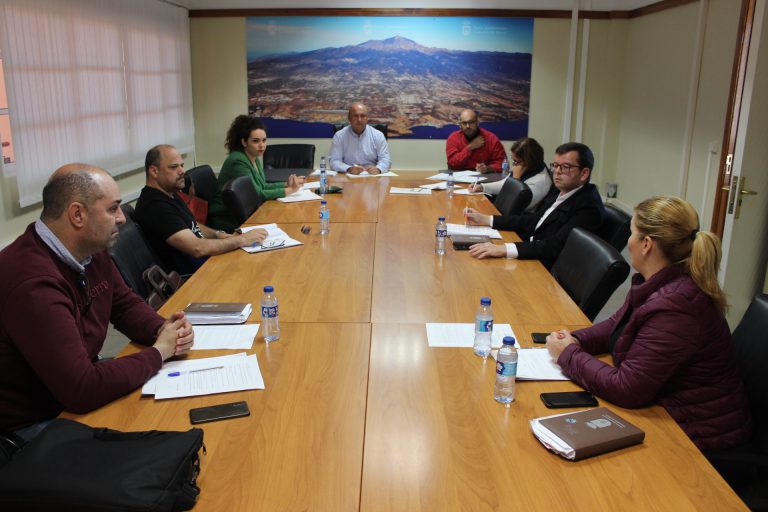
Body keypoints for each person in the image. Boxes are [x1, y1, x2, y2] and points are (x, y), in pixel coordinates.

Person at [0, 164, 195, 440]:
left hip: (74, 388)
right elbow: (82, 388)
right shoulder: (33, 282)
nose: (122, 218)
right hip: (32, 423)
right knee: (159, 440)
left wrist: (164, 329)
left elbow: (123, 304)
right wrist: (159, 352)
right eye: (113, 209)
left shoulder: (90, 249)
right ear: (77, 214)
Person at [546, 196, 751, 450]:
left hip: (698, 435)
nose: (628, 241)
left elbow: (627, 388)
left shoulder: (677, 307)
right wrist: (576, 339)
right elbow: (617, 324)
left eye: (632, 232)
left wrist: (568, 354)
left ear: (646, 244)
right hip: (665, 406)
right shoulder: (661, 281)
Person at [466, 142, 604, 269]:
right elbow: (533, 219)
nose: (557, 171)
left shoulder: (588, 207)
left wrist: (504, 249)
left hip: (543, 267)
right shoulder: (562, 190)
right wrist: (487, 219)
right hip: (532, 251)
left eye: (565, 167)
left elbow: (555, 246)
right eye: (555, 165)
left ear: (584, 173)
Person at [135, 144, 267, 275]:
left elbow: (190, 224)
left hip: (209, 262)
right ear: (154, 171)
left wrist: (218, 234)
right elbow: (197, 248)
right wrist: (241, 240)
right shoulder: (155, 206)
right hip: (198, 276)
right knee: (259, 270)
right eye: (174, 167)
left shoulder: (170, 193)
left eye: (182, 165)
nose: (182, 171)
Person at [207, 116, 304, 232]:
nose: (262, 145)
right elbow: (256, 194)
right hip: (228, 220)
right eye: (256, 141)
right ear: (244, 142)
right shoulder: (238, 160)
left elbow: (261, 186)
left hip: (248, 212)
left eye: (264, 140)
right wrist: (290, 190)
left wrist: (285, 185)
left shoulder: (254, 157)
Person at [469, 137, 553, 211]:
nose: (514, 165)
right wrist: (482, 187)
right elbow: (505, 184)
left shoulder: (541, 181)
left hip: (519, 217)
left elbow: (515, 206)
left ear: (529, 161)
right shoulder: (526, 167)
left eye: (516, 161)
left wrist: (516, 180)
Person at [329, 102, 391, 175]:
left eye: (363, 116)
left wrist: (378, 169)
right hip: (349, 176)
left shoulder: (378, 135)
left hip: (372, 176)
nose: (359, 119)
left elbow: (385, 160)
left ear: (367, 118)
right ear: (349, 118)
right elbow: (334, 161)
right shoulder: (339, 136)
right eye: (355, 116)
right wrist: (348, 168)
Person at [445, 109, 506, 174]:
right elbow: (452, 164)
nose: (467, 126)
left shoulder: (491, 138)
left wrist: (488, 168)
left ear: (477, 122)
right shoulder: (453, 138)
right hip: (459, 177)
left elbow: (503, 163)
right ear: (460, 124)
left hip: (485, 176)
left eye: (471, 122)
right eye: (464, 123)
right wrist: (470, 147)